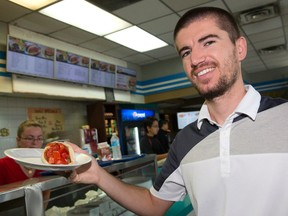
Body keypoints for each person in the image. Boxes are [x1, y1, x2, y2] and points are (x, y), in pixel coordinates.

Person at [68, 7, 288, 216]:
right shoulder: (184, 141)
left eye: (209, 42)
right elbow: (154, 206)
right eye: (186, 52)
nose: (196, 59)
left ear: (239, 48)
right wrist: (98, 175)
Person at [0, 120, 44, 185]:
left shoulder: (44, 164)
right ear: (18, 140)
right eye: (29, 138)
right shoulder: (3, 165)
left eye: (39, 138)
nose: (35, 143)